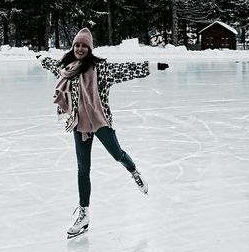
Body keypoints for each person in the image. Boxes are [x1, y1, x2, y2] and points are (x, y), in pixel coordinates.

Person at [37, 28, 169, 238]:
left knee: (118, 154)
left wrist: (153, 66)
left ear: (90, 48)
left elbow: (127, 69)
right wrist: (40, 57)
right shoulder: (67, 69)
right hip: (79, 124)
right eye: (77, 45)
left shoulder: (101, 69)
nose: (80, 49)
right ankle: (84, 214)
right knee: (83, 169)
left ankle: (134, 172)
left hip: (100, 121)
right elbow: (51, 64)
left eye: (84, 46)